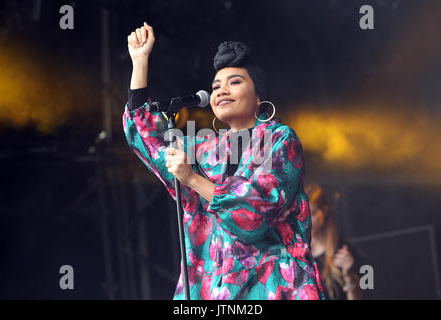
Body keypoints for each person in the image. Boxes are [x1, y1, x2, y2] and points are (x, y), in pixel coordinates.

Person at [123, 22, 326, 300]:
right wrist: (140, 61)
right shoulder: (204, 148)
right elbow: (149, 138)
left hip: (273, 285)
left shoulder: (279, 140)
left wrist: (193, 180)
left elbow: (253, 212)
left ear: (258, 99)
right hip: (214, 289)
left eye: (235, 82)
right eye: (216, 86)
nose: (220, 90)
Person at [306, 184, 363, 300]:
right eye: (301, 215)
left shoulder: (343, 251)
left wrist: (348, 276)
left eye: (311, 214)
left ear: (324, 212)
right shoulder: (297, 255)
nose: (305, 221)